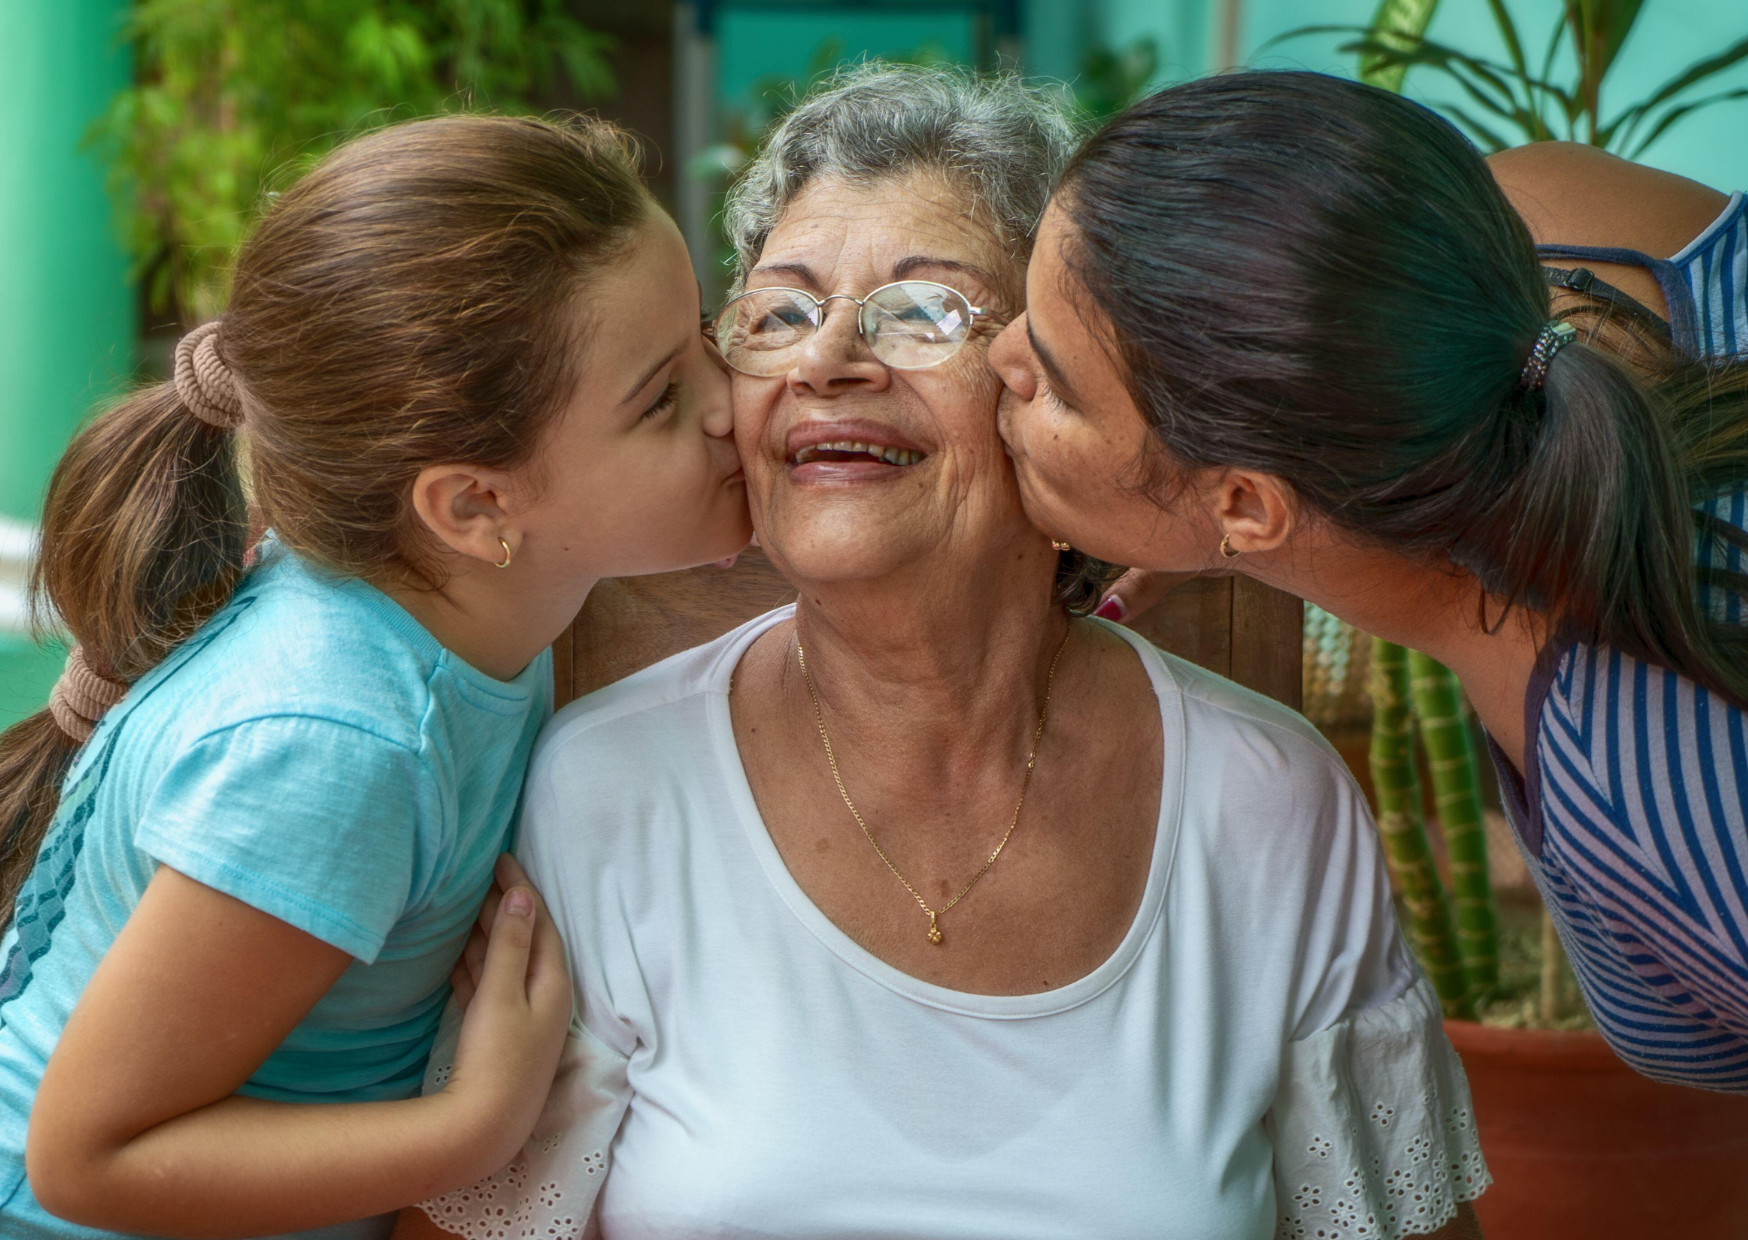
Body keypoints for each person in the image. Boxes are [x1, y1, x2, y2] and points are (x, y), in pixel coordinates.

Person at [402, 65, 1486, 1240]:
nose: (824, 363)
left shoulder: (1267, 807)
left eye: (923, 312)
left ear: (1054, 387)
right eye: (777, 312)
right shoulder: (605, 787)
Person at [0, 114, 751, 1239]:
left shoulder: (451, 597)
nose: (732, 398)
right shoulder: (339, 740)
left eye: (704, 329)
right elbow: (87, 1157)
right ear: (474, 507)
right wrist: (478, 1125)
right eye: (658, 399)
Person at [988, 69, 1748, 1092]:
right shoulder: (1541, 224)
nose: (995, 357)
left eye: (1053, 381)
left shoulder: (1655, 789)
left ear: (1248, 504)